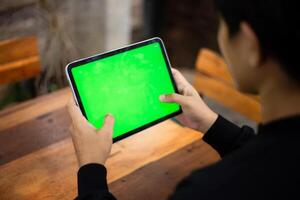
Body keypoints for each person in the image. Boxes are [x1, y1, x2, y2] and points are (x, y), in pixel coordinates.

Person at [67, 0, 300, 199]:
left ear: (251, 45)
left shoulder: (206, 190)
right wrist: (211, 123)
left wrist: (91, 168)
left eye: (222, 24)